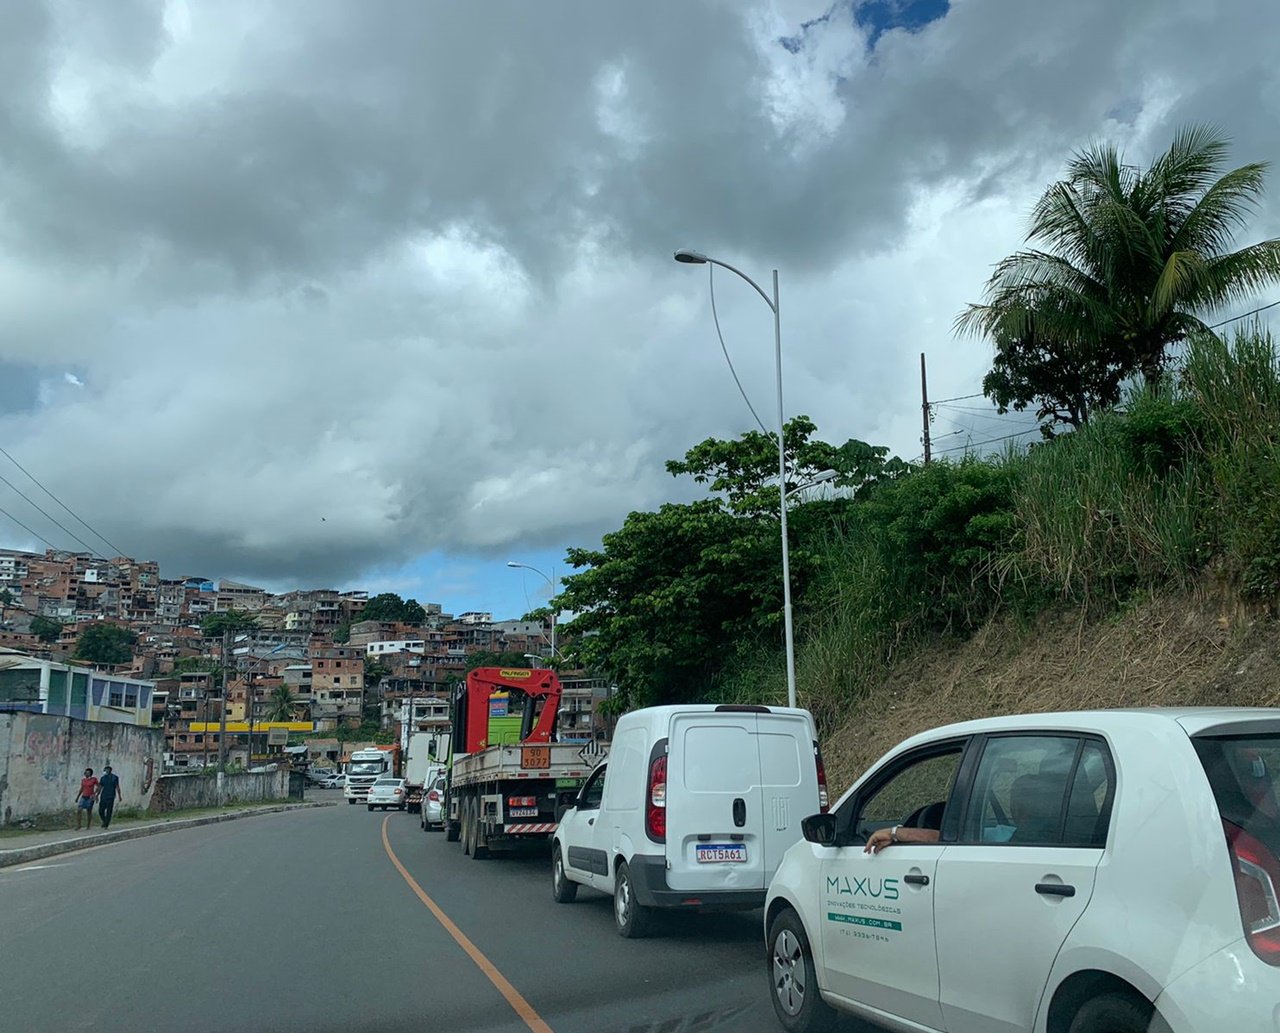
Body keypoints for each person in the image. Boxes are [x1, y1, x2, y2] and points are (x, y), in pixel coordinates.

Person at [97, 764, 122, 829]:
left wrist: (119, 796)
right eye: (105, 770)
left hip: (111, 796)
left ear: (110, 770)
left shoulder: (114, 777)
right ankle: (104, 820)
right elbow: (100, 787)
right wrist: (97, 795)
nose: (105, 771)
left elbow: (117, 787)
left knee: (109, 811)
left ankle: (106, 824)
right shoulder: (103, 778)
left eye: (106, 770)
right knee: (101, 810)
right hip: (103, 795)